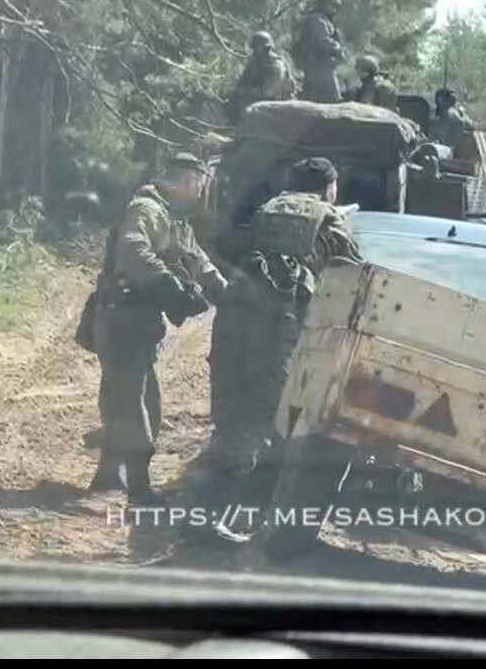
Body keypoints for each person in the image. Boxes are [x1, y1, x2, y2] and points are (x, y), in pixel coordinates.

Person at [187, 157, 362, 540]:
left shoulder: (268, 211)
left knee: (230, 421)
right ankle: (215, 523)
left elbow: (232, 248)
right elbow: (354, 278)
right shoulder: (329, 221)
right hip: (276, 329)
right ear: (327, 188)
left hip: (236, 322)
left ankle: (200, 516)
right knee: (265, 424)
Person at [89, 152, 228, 506]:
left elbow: (196, 257)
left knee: (124, 395)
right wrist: (168, 282)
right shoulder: (149, 209)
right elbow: (133, 251)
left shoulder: (173, 215)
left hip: (135, 319)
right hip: (122, 317)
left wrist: (226, 290)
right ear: (187, 180)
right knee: (138, 400)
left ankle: (107, 474)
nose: (204, 190)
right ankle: (138, 486)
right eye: (202, 182)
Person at [227, 31, 296, 125]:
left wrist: (246, 92)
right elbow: (242, 82)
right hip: (259, 100)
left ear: (266, 48)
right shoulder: (255, 63)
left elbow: (269, 91)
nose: (255, 51)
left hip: (276, 103)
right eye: (254, 48)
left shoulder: (275, 65)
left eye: (258, 48)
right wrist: (237, 93)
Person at [293, 0, 345, 103]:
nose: (334, 10)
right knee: (331, 101)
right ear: (325, 5)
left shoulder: (319, 19)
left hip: (318, 66)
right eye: (332, 6)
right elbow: (322, 41)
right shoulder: (317, 19)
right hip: (320, 66)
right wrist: (338, 50)